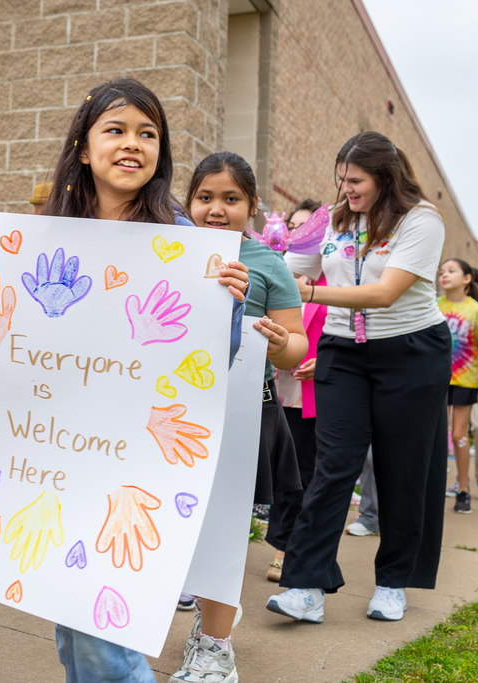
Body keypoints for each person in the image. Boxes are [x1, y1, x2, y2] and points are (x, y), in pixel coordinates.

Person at [0, 79, 248, 683]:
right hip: (54, 457)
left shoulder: (183, 244)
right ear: (82, 147)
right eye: (116, 129)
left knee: (104, 642)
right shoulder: (45, 238)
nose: (133, 145)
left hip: (128, 463)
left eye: (148, 133)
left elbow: (207, 370)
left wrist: (224, 307)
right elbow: (13, 352)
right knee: (72, 632)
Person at [269, 131, 451, 624]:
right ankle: (306, 584)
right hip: (342, 352)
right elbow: (287, 271)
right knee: (333, 465)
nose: (346, 189)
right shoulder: (330, 220)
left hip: (412, 351)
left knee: (402, 469)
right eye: (341, 179)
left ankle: (393, 583)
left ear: (386, 178)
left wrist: (308, 292)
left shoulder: (421, 221)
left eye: (356, 181)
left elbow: (385, 293)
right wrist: (260, 256)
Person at [172, 153, 307, 681]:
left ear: (251, 206)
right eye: (205, 197)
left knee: (224, 525)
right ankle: (200, 611)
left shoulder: (269, 265)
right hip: (173, 413)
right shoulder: (167, 250)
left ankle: (215, 645)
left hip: (245, 415)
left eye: (231, 199)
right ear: (189, 202)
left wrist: (279, 345)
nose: (216, 209)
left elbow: (295, 343)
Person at [268, 199, 325, 582]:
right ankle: (279, 542)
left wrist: (323, 364)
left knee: (305, 474)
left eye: (309, 229)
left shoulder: (333, 283)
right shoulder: (278, 274)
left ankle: (285, 550)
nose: (300, 235)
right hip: (278, 389)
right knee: (279, 474)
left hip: (314, 395)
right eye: (294, 227)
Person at [438, 258, 478, 513]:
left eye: (451, 271)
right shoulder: (433, 306)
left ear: (467, 279)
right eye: (441, 272)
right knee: (437, 438)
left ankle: (463, 488)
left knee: (460, 435)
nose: (444, 275)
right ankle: (435, 486)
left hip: (466, 380)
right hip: (436, 380)